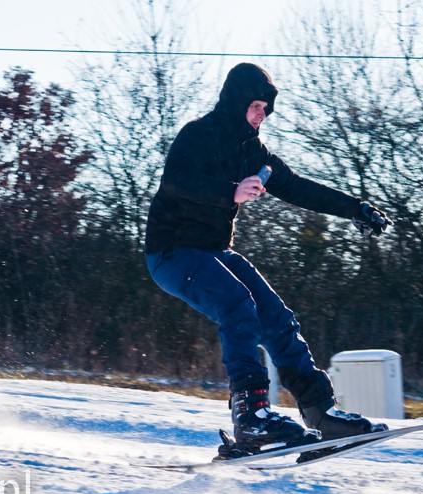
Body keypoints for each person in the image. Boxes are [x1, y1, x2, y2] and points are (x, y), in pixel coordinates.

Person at [144, 63, 391, 449]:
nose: (262, 114)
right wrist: (230, 192)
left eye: (266, 108)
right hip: (171, 252)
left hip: (214, 252)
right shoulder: (199, 134)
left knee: (275, 316)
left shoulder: (254, 152)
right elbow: (176, 182)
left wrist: (356, 209)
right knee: (237, 304)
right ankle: (252, 416)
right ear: (236, 102)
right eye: (256, 105)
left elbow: (297, 187)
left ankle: (320, 411)